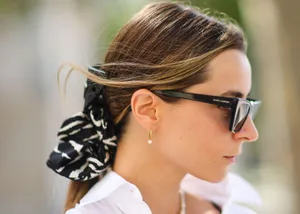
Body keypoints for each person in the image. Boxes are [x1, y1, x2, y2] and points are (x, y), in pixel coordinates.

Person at [46, 1, 262, 214]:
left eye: (247, 108)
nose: (250, 133)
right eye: (230, 107)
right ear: (148, 109)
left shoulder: (232, 207)